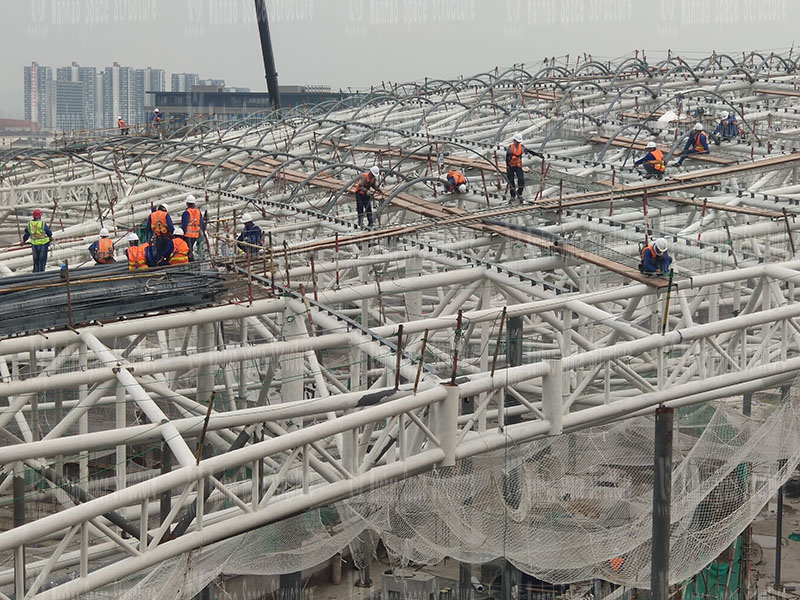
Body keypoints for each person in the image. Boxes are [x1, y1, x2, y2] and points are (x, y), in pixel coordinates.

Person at [505, 133, 544, 200]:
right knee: (511, 182)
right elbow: (507, 158)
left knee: (521, 179)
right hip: (511, 166)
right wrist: (507, 167)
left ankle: (519, 193)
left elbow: (529, 151)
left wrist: (538, 155)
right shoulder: (510, 148)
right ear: (514, 141)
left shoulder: (522, 147)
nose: (517, 143)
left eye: (518, 142)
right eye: (517, 142)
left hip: (518, 166)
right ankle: (513, 195)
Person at [22, 208, 53, 273]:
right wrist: (50, 237)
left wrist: (23, 241)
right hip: (43, 243)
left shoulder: (29, 224)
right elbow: (48, 232)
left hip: (34, 244)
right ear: (40, 216)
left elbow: (27, 234)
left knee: (36, 259)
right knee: (42, 259)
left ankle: (36, 272)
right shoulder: (42, 223)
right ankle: (41, 273)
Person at [181, 194, 205, 260]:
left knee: (188, 250)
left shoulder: (186, 212)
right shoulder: (198, 212)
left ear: (187, 203)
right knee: (191, 249)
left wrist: (182, 234)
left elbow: (184, 225)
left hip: (188, 235)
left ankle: (190, 261)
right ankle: (191, 260)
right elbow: (202, 223)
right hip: (195, 235)